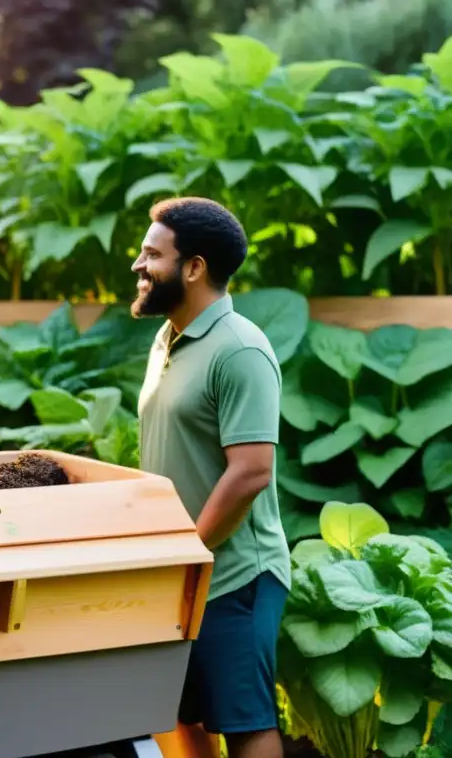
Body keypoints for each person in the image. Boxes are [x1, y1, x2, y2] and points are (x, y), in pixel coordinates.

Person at [130, 197, 290, 758]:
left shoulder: (241, 349)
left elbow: (250, 473)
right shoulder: (167, 339)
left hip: (234, 575)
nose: (138, 265)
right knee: (178, 713)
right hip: (183, 570)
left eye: (152, 254)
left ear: (193, 267)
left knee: (244, 721)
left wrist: (191, 553)